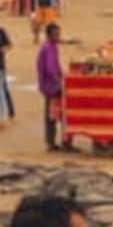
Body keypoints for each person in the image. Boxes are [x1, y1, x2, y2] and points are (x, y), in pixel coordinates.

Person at [34, 24, 65, 152]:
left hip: (50, 85)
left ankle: (53, 141)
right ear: (50, 35)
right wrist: (60, 82)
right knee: (54, 114)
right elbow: (51, 68)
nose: (58, 36)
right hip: (51, 86)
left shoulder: (51, 47)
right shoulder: (48, 48)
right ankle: (52, 142)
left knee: (54, 114)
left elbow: (55, 66)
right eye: (56, 34)